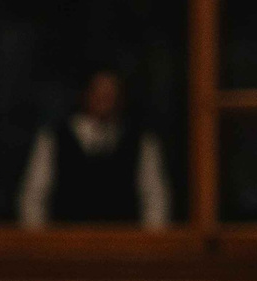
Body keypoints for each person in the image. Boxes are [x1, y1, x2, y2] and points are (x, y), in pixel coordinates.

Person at [18, 67, 169, 229]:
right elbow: (34, 196)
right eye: (99, 93)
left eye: (111, 94)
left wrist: (149, 241)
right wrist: (41, 240)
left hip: (123, 239)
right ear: (85, 94)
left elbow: (155, 197)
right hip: (67, 238)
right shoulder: (53, 138)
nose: (105, 100)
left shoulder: (142, 142)